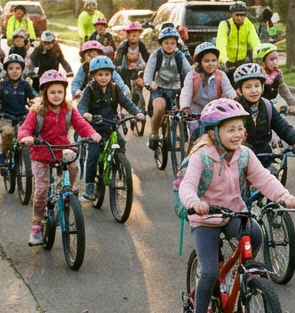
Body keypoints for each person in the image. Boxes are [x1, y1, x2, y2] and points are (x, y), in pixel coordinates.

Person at [179, 98, 295, 313]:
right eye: (230, 129)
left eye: (240, 129)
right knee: (210, 272)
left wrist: (283, 195)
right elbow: (188, 185)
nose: (237, 134)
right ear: (213, 133)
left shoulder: (245, 155)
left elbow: (263, 178)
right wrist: (194, 202)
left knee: (255, 233)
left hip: (234, 213)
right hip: (205, 218)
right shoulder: (201, 157)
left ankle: (242, 275)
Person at [18, 69, 100, 245]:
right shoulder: (37, 111)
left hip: (62, 148)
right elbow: (25, 128)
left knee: (73, 163)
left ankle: (66, 190)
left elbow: (80, 124)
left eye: (60, 92)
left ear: (65, 93)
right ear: (45, 93)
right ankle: (37, 225)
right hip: (41, 153)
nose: (56, 96)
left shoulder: (69, 110)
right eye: (52, 92)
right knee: (41, 189)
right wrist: (26, 137)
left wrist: (92, 134)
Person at [77, 56, 144, 199]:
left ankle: (119, 168)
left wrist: (137, 112)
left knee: (121, 143)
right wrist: (85, 114)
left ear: (111, 75)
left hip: (111, 124)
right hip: (95, 127)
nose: (103, 78)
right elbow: (81, 106)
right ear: (93, 75)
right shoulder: (90, 89)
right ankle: (89, 185)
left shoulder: (115, 88)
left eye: (107, 74)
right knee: (94, 154)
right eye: (100, 74)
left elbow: (126, 102)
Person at [232, 62, 295, 160]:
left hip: (264, 155)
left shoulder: (267, 106)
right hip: (241, 157)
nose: (254, 90)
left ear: (262, 87)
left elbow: (282, 126)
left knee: (278, 172)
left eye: (257, 85)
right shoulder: (234, 109)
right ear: (239, 91)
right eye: (248, 87)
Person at [145, 26, 190, 151]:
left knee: (185, 111)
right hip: (159, 88)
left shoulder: (180, 56)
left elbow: (188, 72)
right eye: (166, 43)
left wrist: (190, 85)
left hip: (176, 89)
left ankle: (185, 134)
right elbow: (148, 72)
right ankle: (154, 134)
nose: (169, 46)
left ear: (176, 43)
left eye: (172, 43)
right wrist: (150, 83)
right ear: (161, 43)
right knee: (159, 108)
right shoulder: (156, 55)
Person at [180, 42, 237, 139]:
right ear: (200, 62)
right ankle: (192, 151)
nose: (211, 64)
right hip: (196, 113)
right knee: (195, 136)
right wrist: (185, 106)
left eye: (213, 60)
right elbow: (186, 92)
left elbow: (228, 91)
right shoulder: (192, 76)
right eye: (206, 61)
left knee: (221, 136)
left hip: (215, 112)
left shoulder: (221, 75)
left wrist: (235, 101)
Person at [0, 54, 36, 168]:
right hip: (6, 116)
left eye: (17, 68)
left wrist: (38, 105)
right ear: (6, 70)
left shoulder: (25, 85)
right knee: (8, 133)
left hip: (23, 116)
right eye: (11, 68)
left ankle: (33, 158)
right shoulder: (2, 84)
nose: (14, 71)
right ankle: (2, 155)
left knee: (30, 135)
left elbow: (34, 98)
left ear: (22, 70)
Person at [255, 42, 295, 114]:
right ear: (262, 62)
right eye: (271, 59)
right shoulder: (258, 75)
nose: (275, 62)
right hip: (256, 106)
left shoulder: (277, 74)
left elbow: (284, 90)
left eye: (276, 59)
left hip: (269, 104)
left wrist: (292, 104)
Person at [214, 1, 258, 70]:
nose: (239, 18)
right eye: (237, 15)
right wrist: (223, 60)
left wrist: (260, 57)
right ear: (232, 14)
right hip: (227, 62)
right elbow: (221, 43)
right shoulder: (225, 25)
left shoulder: (249, 25)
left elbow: (255, 41)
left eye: (242, 15)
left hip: (242, 62)